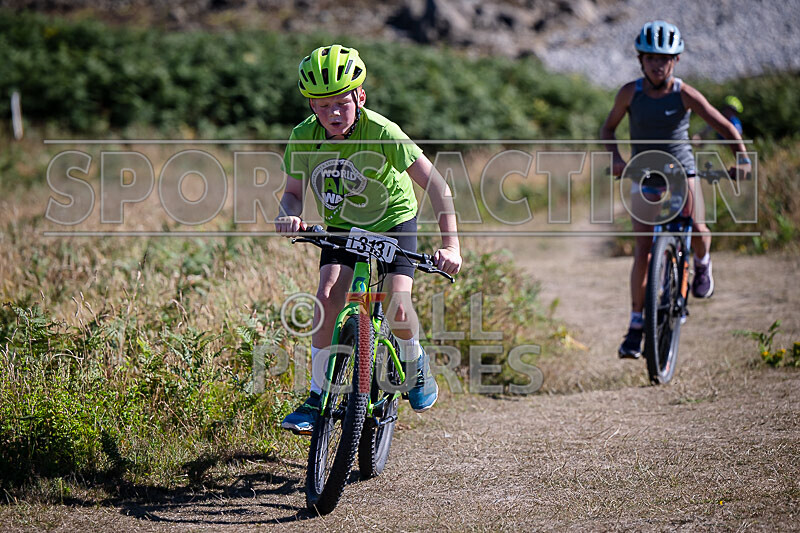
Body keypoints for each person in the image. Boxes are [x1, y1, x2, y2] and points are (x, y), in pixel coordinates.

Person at [275, 44, 462, 433]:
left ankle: (414, 361)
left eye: (341, 103)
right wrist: (289, 213)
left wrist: (451, 246)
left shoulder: (383, 131)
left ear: (359, 97)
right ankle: (316, 396)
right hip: (342, 224)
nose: (333, 114)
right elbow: (293, 191)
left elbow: (438, 187)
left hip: (393, 219)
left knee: (396, 301)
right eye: (322, 106)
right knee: (327, 296)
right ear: (311, 106)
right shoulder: (303, 137)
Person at [600, 21, 751, 359]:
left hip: (682, 171)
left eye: (665, 59)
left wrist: (742, 157)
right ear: (641, 60)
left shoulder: (684, 93)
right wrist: (616, 158)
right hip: (644, 174)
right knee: (643, 250)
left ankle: (703, 263)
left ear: (677, 60)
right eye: (651, 58)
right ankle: (636, 324)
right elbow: (608, 128)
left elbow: (723, 125)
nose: (658, 65)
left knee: (697, 227)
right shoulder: (630, 93)